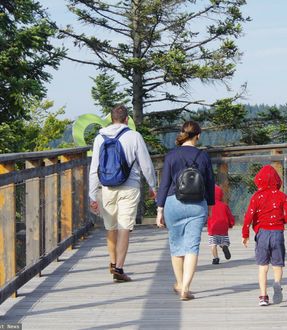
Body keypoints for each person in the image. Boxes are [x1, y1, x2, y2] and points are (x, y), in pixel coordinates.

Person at [89, 104, 157, 282]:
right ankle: (119, 268)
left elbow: (94, 168)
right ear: (127, 119)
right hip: (129, 187)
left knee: (110, 227)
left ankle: (112, 262)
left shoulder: (99, 138)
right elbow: (146, 165)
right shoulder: (134, 136)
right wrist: (153, 185)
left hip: (107, 188)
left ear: (111, 119)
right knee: (124, 227)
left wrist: (91, 194)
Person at [156, 120, 215, 301]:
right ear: (198, 135)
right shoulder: (203, 156)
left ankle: (180, 283)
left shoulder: (172, 155)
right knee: (192, 246)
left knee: (176, 246)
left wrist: (160, 210)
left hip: (173, 203)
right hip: (197, 204)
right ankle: (186, 289)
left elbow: (164, 184)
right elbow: (210, 184)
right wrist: (210, 206)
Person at [242, 165, 287, 306]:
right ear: (277, 181)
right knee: (277, 264)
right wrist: (281, 221)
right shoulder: (282, 196)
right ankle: (277, 283)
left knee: (263, 266)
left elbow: (249, 216)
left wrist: (245, 234)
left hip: (262, 234)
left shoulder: (256, 197)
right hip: (277, 233)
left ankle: (263, 296)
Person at [207, 185, 235, 265]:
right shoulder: (224, 205)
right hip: (223, 227)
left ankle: (216, 258)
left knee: (213, 244)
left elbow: (206, 216)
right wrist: (231, 224)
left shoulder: (209, 206)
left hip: (213, 227)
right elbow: (229, 216)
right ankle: (224, 246)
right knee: (223, 241)